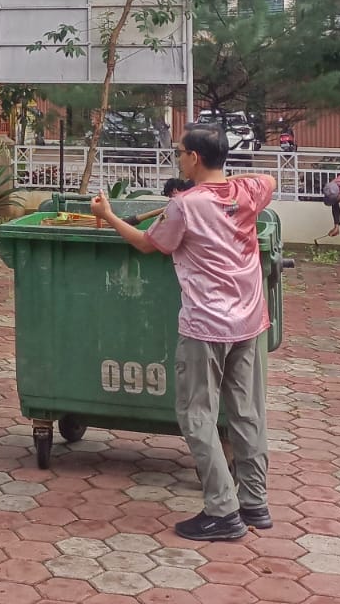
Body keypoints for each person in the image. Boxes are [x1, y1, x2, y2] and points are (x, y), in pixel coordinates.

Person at [92, 126, 274, 542]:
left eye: (179, 153)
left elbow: (146, 244)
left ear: (193, 158)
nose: (177, 158)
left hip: (206, 324)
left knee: (197, 415)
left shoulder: (185, 207)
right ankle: (255, 503)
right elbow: (269, 180)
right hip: (249, 323)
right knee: (246, 413)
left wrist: (108, 216)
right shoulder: (248, 192)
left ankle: (223, 512)